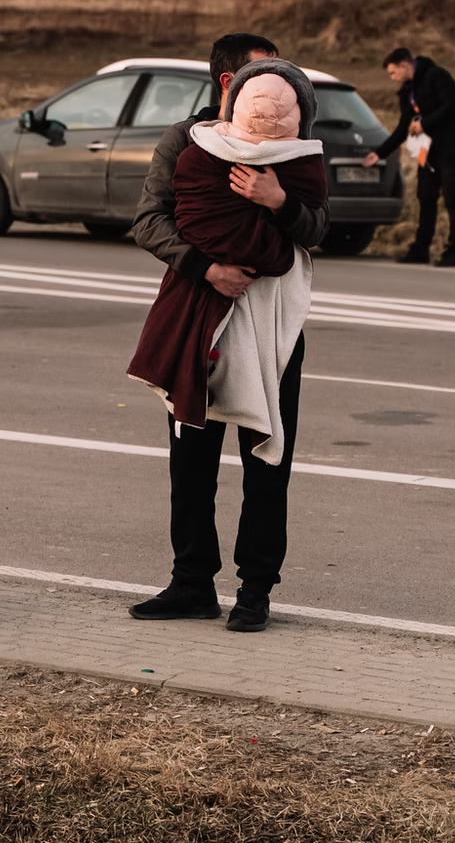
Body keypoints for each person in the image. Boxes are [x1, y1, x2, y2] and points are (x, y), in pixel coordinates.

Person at [128, 35, 329, 633]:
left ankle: (256, 591)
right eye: (261, 75)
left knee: (267, 459)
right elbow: (149, 220)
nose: (277, 85)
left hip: (273, 325)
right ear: (227, 85)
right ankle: (191, 582)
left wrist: (278, 200)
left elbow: (318, 226)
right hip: (199, 311)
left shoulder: (296, 146)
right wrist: (206, 268)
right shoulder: (186, 142)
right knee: (190, 459)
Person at [361, 46, 455, 267]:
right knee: (425, 197)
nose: (393, 78)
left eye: (393, 73)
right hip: (429, 151)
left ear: (404, 65)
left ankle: (454, 250)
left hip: (452, 148)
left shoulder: (438, 76)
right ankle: (420, 248)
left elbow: (451, 106)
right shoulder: (408, 90)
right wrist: (379, 153)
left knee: (452, 197)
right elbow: (404, 126)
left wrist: (424, 123)